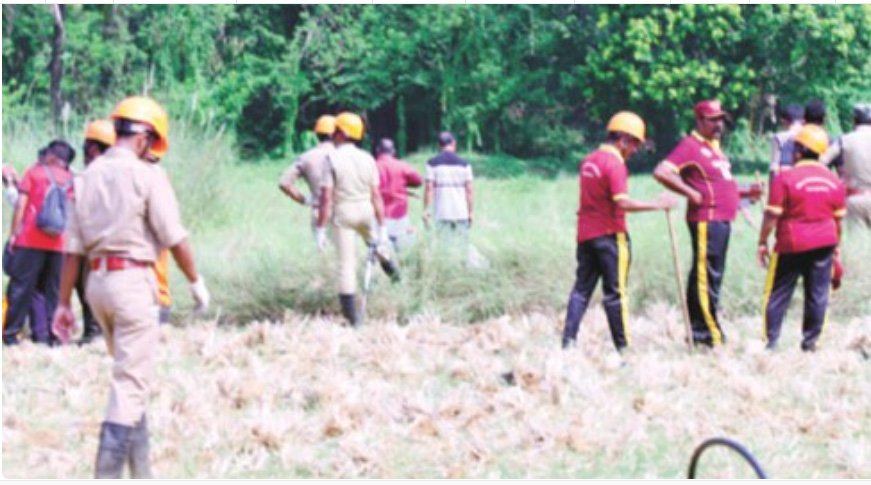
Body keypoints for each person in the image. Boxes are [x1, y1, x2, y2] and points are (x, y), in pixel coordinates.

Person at [51, 96, 210, 478]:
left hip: (97, 286)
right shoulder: (148, 176)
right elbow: (175, 236)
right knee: (129, 382)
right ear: (144, 139)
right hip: (133, 285)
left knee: (131, 378)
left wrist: (62, 305)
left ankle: (142, 474)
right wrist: (195, 280)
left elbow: (72, 250)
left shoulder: (85, 177)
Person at [562, 112, 677, 351]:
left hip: (585, 236)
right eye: (635, 143)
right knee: (616, 294)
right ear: (623, 139)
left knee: (581, 290)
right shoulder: (615, 164)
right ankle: (624, 349)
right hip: (611, 236)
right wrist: (657, 204)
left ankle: (568, 342)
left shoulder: (589, 160)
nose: (635, 150)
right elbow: (622, 203)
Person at [653, 100, 761, 348]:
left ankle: (701, 332)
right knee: (705, 277)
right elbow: (662, 172)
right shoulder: (690, 146)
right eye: (712, 120)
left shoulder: (715, 149)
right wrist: (690, 193)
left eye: (720, 119)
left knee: (711, 275)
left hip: (722, 219)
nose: (718, 124)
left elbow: (722, 186)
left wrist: (747, 194)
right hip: (706, 219)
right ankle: (707, 334)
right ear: (700, 120)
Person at [757, 124, 846, 351]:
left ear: (799, 150)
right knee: (817, 294)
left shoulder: (786, 178)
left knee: (777, 292)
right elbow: (838, 222)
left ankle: (771, 342)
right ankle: (810, 343)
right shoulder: (834, 181)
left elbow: (772, 215)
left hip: (791, 243)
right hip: (825, 242)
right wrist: (837, 248)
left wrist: (762, 241)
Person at [316, 112, 399, 327]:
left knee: (346, 265)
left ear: (342, 133)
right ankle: (395, 275)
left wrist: (320, 229)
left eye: (335, 131)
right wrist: (382, 226)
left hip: (343, 214)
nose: (332, 135)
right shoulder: (368, 158)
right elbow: (376, 196)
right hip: (366, 211)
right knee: (380, 247)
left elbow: (326, 197)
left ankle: (354, 320)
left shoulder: (331, 158)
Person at [3, 140, 76, 346]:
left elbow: (21, 206)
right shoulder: (71, 179)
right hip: (59, 244)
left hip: (30, 241)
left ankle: (11, 335)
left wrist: (13, 235)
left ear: (51, 156)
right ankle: (50, 337)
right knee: (53, 292)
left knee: (21, 289)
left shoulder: (34, 173)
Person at [75, 119, 116, 344]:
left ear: (92, 148)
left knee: (88, 285)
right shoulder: (125, 173)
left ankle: (95, 332)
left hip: (92, 243)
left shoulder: (89, 176)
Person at [279, 115, 336, 236]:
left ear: (317, 135)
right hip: (343, 212)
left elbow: (284, 183)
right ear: (335, 134)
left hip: (319, 212)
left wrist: (304, 200)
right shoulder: (345, 156)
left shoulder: (307, 157)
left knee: (322, 252)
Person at [820, 103, 871, 227]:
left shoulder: (844, 140)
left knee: (856, 244)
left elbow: (821, 162)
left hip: (854, 199)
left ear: (854, 120)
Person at [375, 137, 422, 250]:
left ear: (378, 151)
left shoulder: (373, 166)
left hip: (379, 214)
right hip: (400, 212)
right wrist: (403, 184)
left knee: (381, 247)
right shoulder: (402, 166)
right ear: (393, 152)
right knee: (402, 246)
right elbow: (418, 181)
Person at [769, 103, 804, 176]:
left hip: (786, 178)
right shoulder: (810, 136)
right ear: (803, 120)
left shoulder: (778, 138)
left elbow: (774, 167)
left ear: (784, 121)